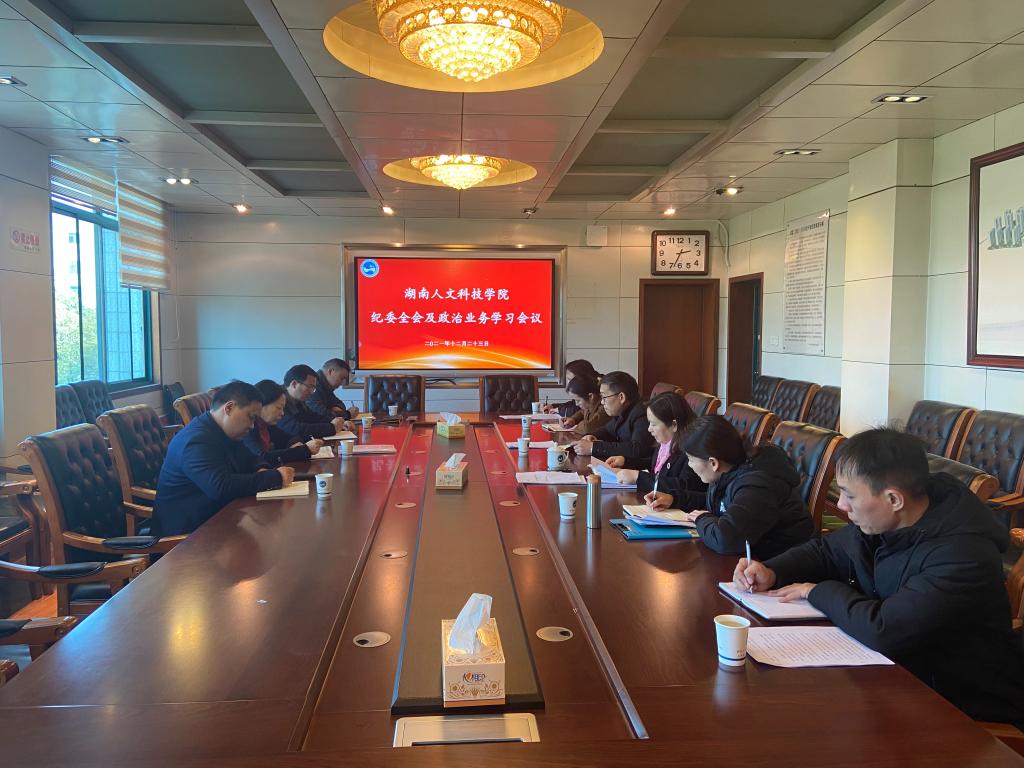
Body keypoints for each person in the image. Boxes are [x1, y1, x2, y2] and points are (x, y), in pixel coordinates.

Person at [734, 428, 1024, 725]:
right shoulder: (889, 520)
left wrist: (815, 590)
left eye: (850, 495)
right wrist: (772, 570)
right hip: (896, 676)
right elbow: (828, 551)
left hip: (958, 704)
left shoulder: (962, 555)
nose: (841, 505)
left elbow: (883, 630)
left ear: (893, 499)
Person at [649, 415, 814, 558]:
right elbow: (721, 504)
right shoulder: (730, 469)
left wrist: (702, 519)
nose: (690, 465)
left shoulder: (756, 485)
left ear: (713, 463)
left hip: (782, 565)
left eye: (691, 460)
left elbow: (725, 540)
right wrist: (675, 499)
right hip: (752, 559)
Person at [153, 381, 293, 536]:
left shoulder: (223, 430)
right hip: (185, 536)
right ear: (229, 408)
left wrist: (261, 468)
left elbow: (251, 457)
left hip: (217, 518)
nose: (253, 426)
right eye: (251, 417)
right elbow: (221, 487)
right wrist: (273, 477)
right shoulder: (196, 440)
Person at [604, 391, 706, 507]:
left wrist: (639, 477)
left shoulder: (692, 450)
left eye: (653, 424)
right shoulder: (666, 443)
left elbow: (685, 486)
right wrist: (626, 461)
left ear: (674, 425)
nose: (649, 429)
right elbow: (657, 465)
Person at [573, 371, 655, 462]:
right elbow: (607, 430)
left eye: (604, 397)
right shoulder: (623, 410)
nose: (602, 402)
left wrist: (593, 448)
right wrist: (591, 436)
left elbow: (638, 449)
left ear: (621, 397)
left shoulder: (642, 413)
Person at [244, 379, 324, 466]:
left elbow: (288, 438)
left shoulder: (268, 425)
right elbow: (262, 457)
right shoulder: (247, 428)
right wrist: (304, 450)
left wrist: (294, 444)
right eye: (278, 408)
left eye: (283, 408)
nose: (282, 413)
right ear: (261, 405)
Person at [279, 364, 349, 439]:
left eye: (313, 388)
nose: (312, 392)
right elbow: (296, 429)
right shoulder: (277, 399)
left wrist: (339, 423)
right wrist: (331, 427)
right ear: (294, 384)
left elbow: (313, 417)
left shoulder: (298, 400)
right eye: (310, 387)